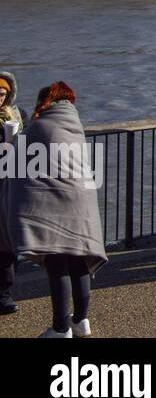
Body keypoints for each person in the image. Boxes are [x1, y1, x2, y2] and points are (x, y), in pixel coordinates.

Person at [5, 83, 107, 337]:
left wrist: (14, 137)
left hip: (54, 207)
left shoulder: (39, 126)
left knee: (57, 264)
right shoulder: (75, 127)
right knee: (80, 261)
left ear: (44, 101)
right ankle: (81, 321)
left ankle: (61, 329)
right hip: (82, 204)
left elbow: (15, 159)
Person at [0, 71, 24, 316]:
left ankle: (4, 293)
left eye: (3, 93)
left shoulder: (17, 114)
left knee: (8, 239)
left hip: (10, 181)